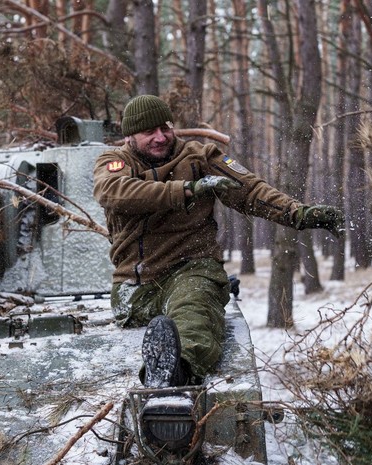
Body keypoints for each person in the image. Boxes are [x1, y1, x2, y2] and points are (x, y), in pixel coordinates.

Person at [92, 95, 343, 389]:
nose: (160, 137)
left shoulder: (199, 157)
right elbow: (115, 192)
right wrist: (187, 190)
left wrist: (297, 213)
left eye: (165, 128)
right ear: (130, 136)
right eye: (149, 132)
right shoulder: (114, 163)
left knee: (194, 309)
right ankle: (168, 344)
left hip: (190, 268)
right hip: (134, 287)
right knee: (155, 311)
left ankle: (175, 371)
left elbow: (250, 190)